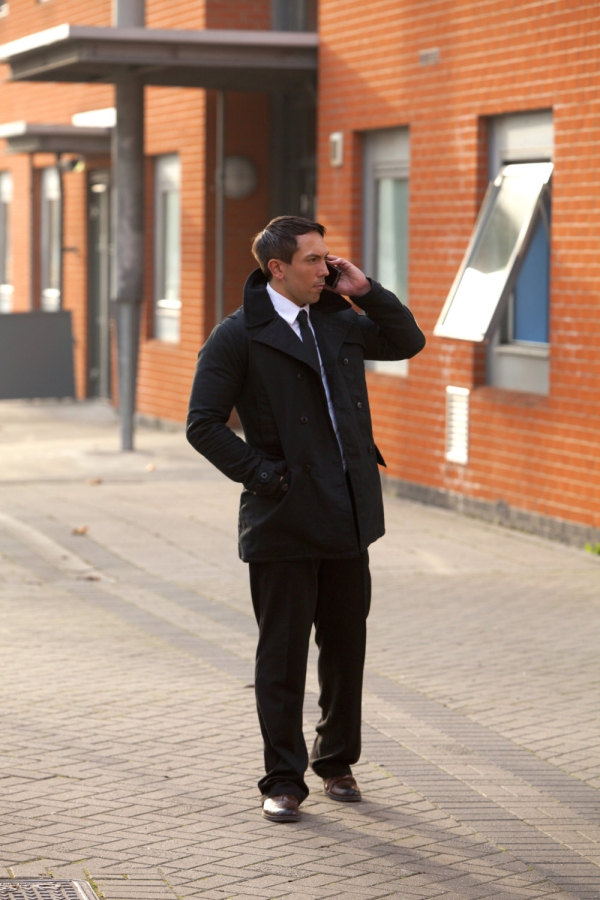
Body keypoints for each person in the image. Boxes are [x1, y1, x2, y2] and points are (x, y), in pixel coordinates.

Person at [187, 216, 425, 822]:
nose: (327, 269)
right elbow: (203, 425)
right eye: (315, 261)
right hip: (284, 519)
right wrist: (266, 477)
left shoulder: (339, 318)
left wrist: (365, 289)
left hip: (346, 512)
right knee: (284, 655)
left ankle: (337, 761)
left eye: (327, 259)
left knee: (346, 647)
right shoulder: (238, 335)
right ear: (277, 269)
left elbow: (406, 341)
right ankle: (283, 779)